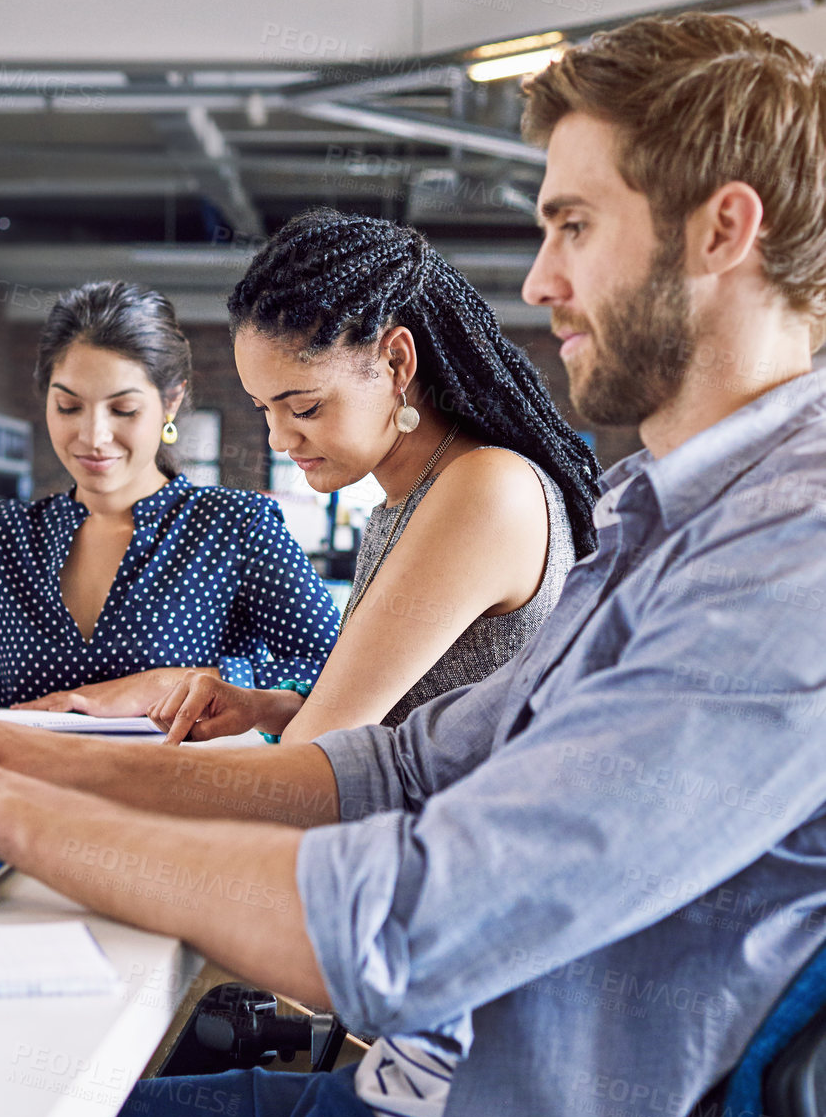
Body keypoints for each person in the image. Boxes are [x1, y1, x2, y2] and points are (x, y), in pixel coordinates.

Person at [0, 13, 826, 1117]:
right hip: (382, 1114)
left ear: (722, 230)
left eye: (571, 223)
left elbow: (406, 924)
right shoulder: (659, 515)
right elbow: (389, 765)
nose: (540, 278)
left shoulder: (787, 560)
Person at [145, 209, 600, 747]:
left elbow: (314, 760)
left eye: (305, 408)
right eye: (263, 409)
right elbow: (388, 731)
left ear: (397, 362)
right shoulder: (410, 496)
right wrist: (269, 707)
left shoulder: (485, 489)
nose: (278, 439)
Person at [0, 280, 339, 711]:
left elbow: (340, 673)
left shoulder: (233, 527)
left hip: (175, 805)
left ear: (170, 402)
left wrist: (187, 683)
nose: (93, 436)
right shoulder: (5, 539)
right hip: (17, 801)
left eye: (122, 409)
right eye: (68, 406)